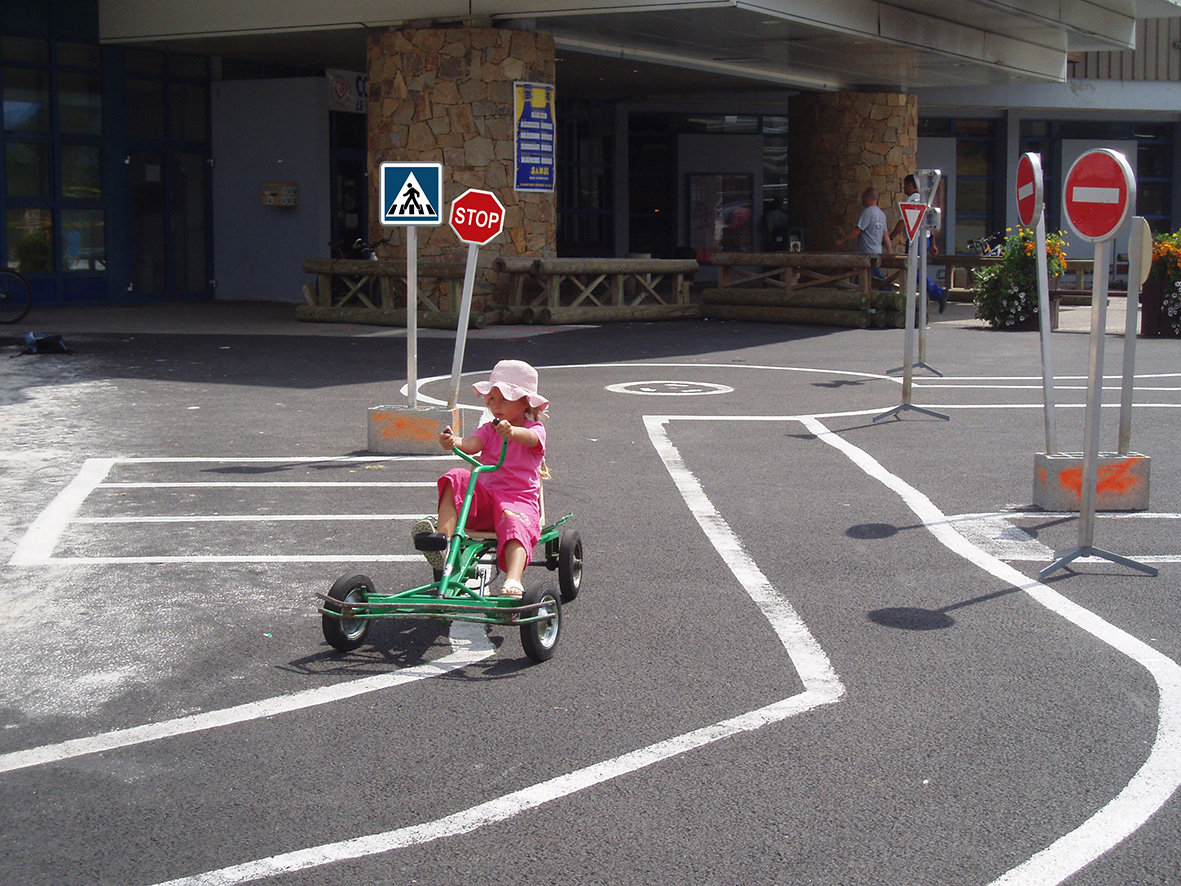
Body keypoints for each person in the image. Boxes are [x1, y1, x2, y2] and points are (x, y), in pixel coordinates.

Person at [412, 360, 548, 599]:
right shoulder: (488, 429)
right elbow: (471, 445)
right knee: (456, 476)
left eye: (504, 399)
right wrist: (453, 442)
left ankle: (514, 580)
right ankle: (442, 542)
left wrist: (511, 432)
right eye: (492, 399)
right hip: (486, 501)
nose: (495, 405)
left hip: (517, 502)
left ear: (525, 401)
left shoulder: (534, 428)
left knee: (514, 522)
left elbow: (531, 439)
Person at [890, 174, 948, 313]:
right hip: (925, 239)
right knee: (914, 270)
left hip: (916, 240)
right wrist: (932, 243)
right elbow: (931, 224)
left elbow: (903, 222)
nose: (904, 189)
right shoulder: (924, 200)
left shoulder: (912, 201)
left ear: (910, 186)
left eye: (905, 186)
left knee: (913, 270)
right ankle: (931, 294)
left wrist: (891, 236)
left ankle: (938, 293)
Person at [835, 187, 892, 288]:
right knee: (861, 277)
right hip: (877, 252)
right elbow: (886, 235)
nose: (862, 199)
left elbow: (858, 230)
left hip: (867, 253)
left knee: (878, 278)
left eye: (863, 197)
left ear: (868, 197)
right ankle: (858, 297)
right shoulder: (881, 214)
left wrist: (841, 240)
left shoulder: (867, 212)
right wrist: (890, 252)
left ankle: (891, 295)